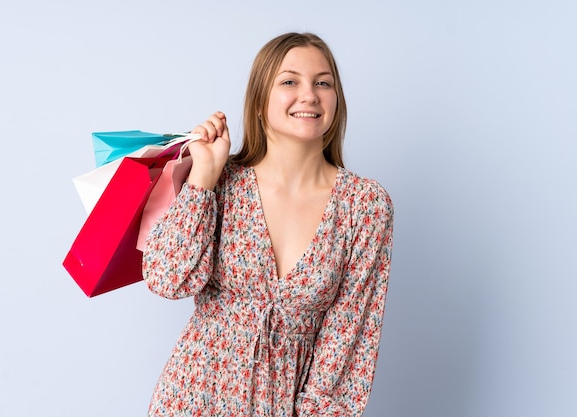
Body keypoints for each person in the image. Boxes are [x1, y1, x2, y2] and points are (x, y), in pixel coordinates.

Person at [142, 32, 394, 416]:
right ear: (260, 101)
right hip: (192, 399)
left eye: (323, 82)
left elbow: (349, 339)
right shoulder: (221, 182)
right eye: (290, 81)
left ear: (336, 101)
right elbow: (166, 279)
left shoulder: (364, 206)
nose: (309, 95)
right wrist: (204, 178)